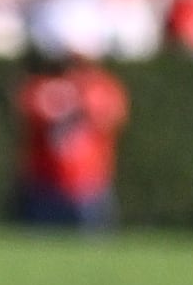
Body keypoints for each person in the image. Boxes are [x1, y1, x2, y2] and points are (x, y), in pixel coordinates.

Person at [10, 44, 127, 231]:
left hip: (90, 186)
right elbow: (30, 111)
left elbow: (110, 117)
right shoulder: (42, 86)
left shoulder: (102, 88)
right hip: (44, 185)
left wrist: (82, 100)